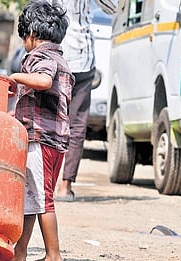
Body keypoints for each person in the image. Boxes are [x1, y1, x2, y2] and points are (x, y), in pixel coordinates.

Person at [7, 0, 73, 261]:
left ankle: (53, 259)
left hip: (41, 138)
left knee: (43, 199)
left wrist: (16, 76)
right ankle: (19, 252)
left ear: (32, 35)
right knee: (33, 197)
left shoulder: (39, 57)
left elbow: (43, 81)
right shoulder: (62, 59)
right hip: (55, 141)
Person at [55, 0, 117, 202]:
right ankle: (65, 186)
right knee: (76, 125)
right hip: (82, 57)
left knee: (49, 120)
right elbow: (113, 7)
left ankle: (45, 183)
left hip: (55, 56)